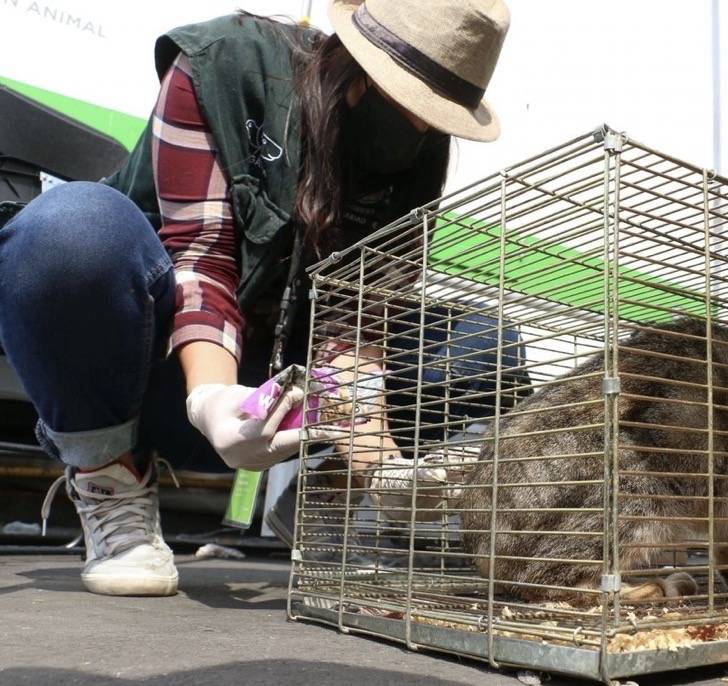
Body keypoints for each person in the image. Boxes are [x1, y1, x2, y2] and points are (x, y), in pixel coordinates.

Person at [0, 0, 511, 596]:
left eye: (434, 116)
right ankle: (111, 479)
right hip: (147, 369)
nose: (416, 129)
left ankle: (330, 497)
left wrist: (381, 462)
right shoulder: (226, 66)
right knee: (70, 227)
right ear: (357, 63)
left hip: (278, 400)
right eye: (407, 101)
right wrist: (215, 400)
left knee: (484, 343)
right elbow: (202, 257)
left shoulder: (416, 161)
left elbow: (358, 319)